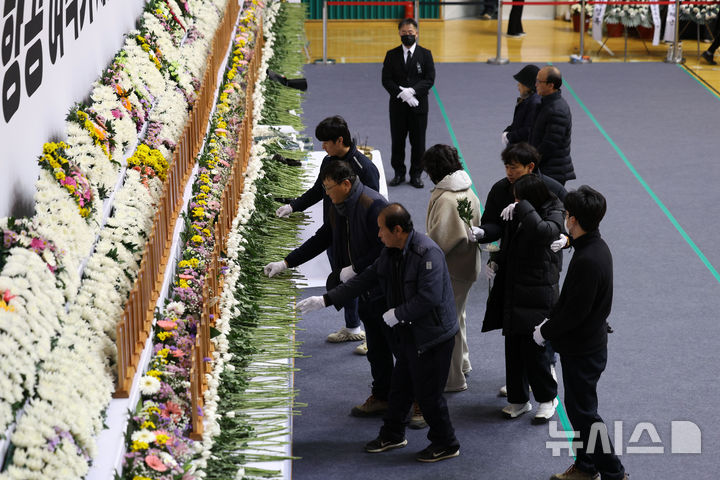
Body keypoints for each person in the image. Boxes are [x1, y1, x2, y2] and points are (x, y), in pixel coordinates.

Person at [297, 203, 461, 463]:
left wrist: (398, 313)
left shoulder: (427, 253)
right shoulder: (391, 251)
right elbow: (367, 277)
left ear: (397, 230)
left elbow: (429, 297)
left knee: (428, 396)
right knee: (400, 388)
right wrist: (326, 300)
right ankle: (393, 434)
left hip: (432, 337)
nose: (378, 234)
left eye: (382, 229)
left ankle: (446, 443)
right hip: (410, 333)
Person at [264, 161, 393, 417]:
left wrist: (356, 267)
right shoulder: (339, 205)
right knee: (377, 349)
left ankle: (417, 404)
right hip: (364, 289)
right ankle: (382, 396)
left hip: (384, 288)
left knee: (399, 347)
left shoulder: (373, 205)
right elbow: (323, 237)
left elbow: (385, 249)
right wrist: (286, 262)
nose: (326, 193)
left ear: (345, 184)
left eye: (329, 188)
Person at [534, 186, 628, 480]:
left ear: (573, 219)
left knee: (584, 414)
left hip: (583, 349)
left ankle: (614, 473)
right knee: (579, 410)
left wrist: (545, 330)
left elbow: (575, 312)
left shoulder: (588, 259)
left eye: (567, 214)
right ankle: (586, 466)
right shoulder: (594, 246)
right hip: (587, 343)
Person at [467, 142, 565, 400]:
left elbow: (562, 228)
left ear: (530, 167)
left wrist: (567, 240)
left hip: (542, 269)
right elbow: (495, 224)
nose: (509, 173)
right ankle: (519, 389)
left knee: (540, 325)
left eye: (514, 167)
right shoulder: (501, 189)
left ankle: (547, 372)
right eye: (506, 167)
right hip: (513, 267)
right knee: (514, 330)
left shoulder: (553, 191)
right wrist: (483, 233)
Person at [275, 115, 380, 346]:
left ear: (340, 140)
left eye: (325, 142)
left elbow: (372, 210)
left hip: (358, 240)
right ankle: (353, 326)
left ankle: (375, 336)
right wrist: (294, 206)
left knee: (365, 285)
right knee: (343, 281)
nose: (322, 146)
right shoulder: (328, 161)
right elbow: (317, 191)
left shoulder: (365, 168)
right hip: (334, 232)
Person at [422, 144, 481, 393]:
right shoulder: (466, 189)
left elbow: (439, 241)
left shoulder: (447, 198)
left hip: (452, 269)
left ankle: (453, 378)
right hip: (466, 265)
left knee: (448, 324)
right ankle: (463, 362)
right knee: (458, 316)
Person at [382, 18, 436, 189]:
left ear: (416, 34)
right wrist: (402, 94)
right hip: (398, 107)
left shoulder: (425, 54)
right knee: (397, 141)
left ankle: (416, 174)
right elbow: (386, 80)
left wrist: (412, 91)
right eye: (404, 32)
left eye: (410, 32)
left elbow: (429, 79)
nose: (407, 35)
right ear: (399, 33)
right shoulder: (391, 55)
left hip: (419, 107)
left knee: (418, 142)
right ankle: (399, 173)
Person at [529, 66, 576, 186]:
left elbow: (549, 145)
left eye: (539, 81)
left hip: (552, 172)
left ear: (551, 85)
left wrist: (530, 161)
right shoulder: (545, 103)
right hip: (545, 168)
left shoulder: (557, 110)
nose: (536, 84)